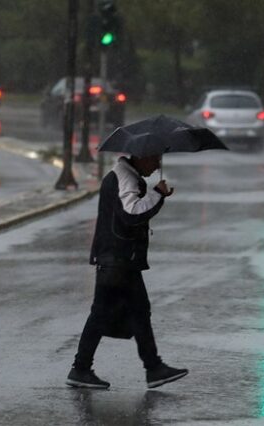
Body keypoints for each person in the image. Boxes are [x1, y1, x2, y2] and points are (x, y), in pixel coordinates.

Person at [66, 154, 188, 390]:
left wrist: (155, 195)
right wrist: (157, 194)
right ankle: (83, 369)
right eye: (154, 160)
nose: (157, 165)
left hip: (119, 259)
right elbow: (131, 213)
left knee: (136, 312)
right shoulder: (126, 178)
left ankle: (152, 368)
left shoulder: (127, 177)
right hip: (117, 259)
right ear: (142, 156)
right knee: (105, 314)